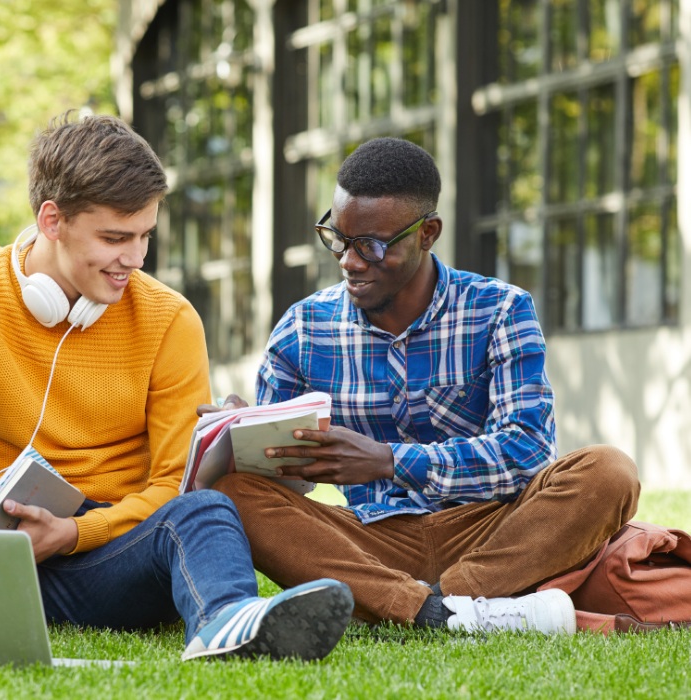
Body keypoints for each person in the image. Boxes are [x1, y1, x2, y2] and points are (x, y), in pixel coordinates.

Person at [0, 112, 353, 660]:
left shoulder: (170, 320)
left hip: (103, 556)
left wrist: (74, 531)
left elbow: (169, 484)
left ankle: (228, 621)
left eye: (144, 236)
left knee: (204, 507)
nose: (132, 259)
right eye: (114, 237)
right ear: (52, 220)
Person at [210, 137, 640, 634]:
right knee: (233, 493)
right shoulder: (303, 327)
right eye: (339, 239)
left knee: (609, 471)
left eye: (371, 245)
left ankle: (430, 604)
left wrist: (389, 460)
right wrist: (247, 432)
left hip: (492, 531)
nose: (350, 261)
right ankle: (447, 613)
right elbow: (286, 485)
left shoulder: (500, 309)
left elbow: (527, 452)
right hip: (368, 542)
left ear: (427, 233)